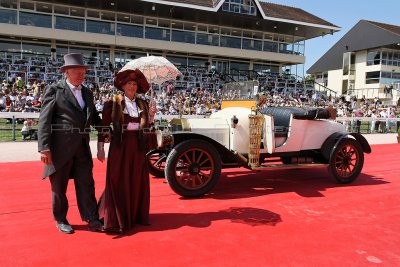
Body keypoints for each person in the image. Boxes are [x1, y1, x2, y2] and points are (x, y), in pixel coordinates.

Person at [38, 53, 103, 234]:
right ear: (66, 72)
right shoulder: (54, 90)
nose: (81, 75)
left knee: (86, 184)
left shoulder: (88, 93)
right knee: (59, 187)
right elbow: (44, 120)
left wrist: (105, 127)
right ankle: (60, 219)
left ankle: (92, 218)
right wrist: (44, 147)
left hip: (82, 146)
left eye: (83, 72)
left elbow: (94, 117)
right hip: (60, 147)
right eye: (77, 72)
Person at [97, 68, 156, 233]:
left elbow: (147, 127)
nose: (132, 86)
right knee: (118, 180)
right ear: (122, 85)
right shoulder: (114, 103)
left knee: (136, 180)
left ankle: (135, 215)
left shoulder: (143, 103)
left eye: (135, 84)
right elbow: (104, 126)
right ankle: (117, 217)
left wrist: (151, 116)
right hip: (120, 148)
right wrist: (101, 148)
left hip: (137, 148)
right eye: (129, 83)